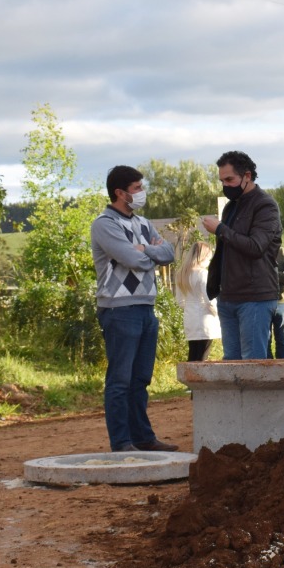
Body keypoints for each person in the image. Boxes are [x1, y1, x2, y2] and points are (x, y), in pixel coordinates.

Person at [91, 165, 177, 452]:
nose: (142, 193)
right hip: (119, 309)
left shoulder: (142, 222)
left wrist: (146, 251)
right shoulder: (105, 223)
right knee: (120, 380)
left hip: (145, 307)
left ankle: (143, 438)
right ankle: (122, 442)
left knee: (140, 379)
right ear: (120, 193)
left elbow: (169, 253)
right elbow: (134, 260)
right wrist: (148, 252)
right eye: (137, 188)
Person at [200, 150, 283, 360]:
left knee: (253, 365)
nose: (225, 185)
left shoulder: (265, 205)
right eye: (222, 181)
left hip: (255, 297)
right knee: (232, 364)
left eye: (230, 179)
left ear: (247, 176)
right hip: (228, 296)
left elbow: (256, 247)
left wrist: (220, 229)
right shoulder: (230, 207)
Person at [176, 240, 220, 362]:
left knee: (193, 355)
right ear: (204, 257)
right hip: (205, 318)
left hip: (190, 318)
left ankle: (189, 379)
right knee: (202, 357)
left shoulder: (181, 274)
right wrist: (218, 313)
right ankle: (199, 380)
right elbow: (209, 299)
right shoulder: (202, 273)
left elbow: (180, 301)